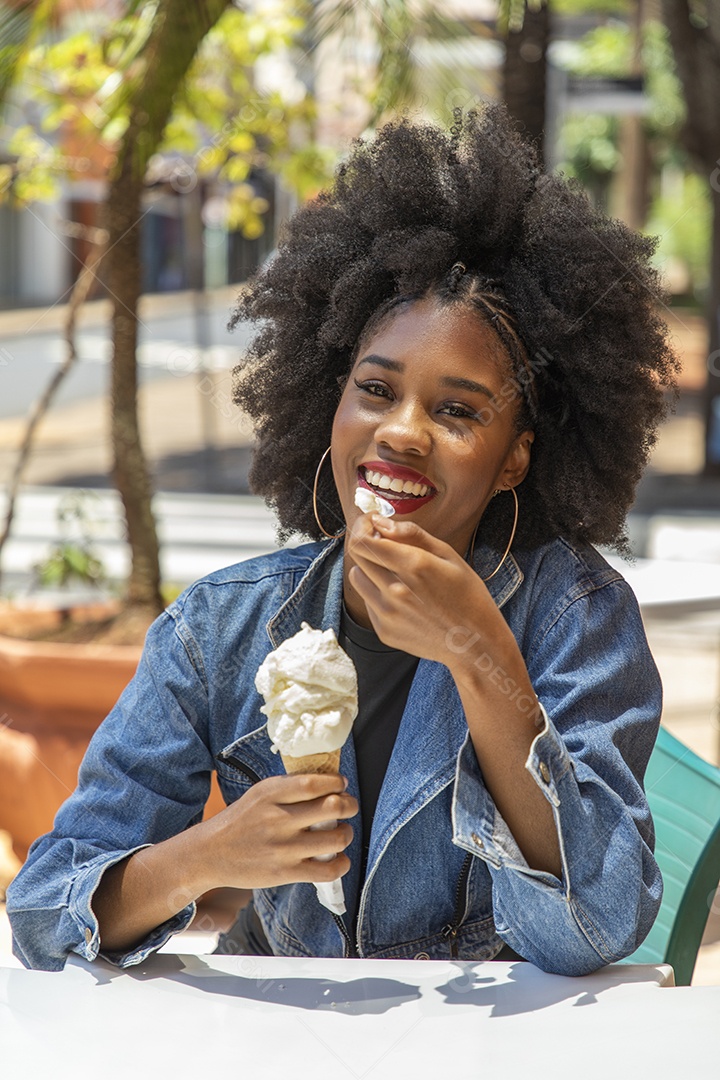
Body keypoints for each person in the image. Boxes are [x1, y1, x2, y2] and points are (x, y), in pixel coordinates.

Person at [8, 106, 678, 975]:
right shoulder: (222, 628)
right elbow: (42, 913)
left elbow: (593, 929)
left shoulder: (576, 620)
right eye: (375, 389)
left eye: (457, 410)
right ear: (330, 402)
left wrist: (481, 655)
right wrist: (208, 857)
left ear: (516, 458)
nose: (401, 432)